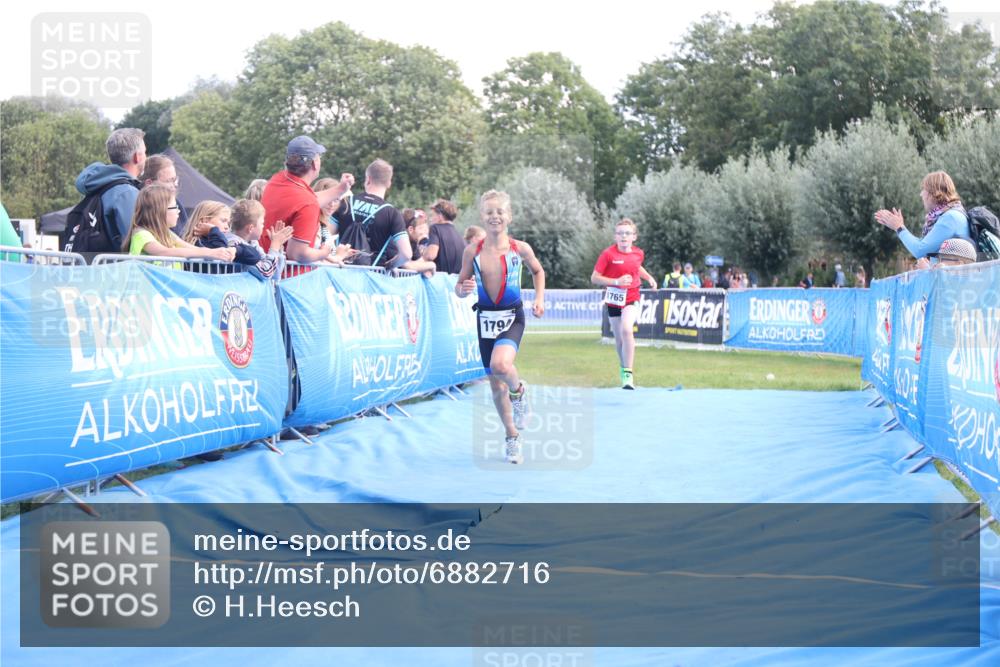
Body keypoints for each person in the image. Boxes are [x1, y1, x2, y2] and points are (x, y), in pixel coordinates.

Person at [456, 190, 545, 465]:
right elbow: (459, 286)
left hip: (512, 317)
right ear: (481, 216)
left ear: (509, 216)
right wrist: (463, 288)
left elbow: (538, 271)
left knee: (501, 365)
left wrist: (539, 298)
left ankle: (519, 393)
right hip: (485, 319)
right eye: (489, 212)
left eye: (500, 212)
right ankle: (512, 436)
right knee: (496, 388)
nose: (495, 216)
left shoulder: (521, 248)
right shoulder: (473, 250)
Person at [260, 136, 352, 265]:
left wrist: (341, 189)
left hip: (267, 272)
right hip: (291, 280)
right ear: (315, 163)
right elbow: (297, 254)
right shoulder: (307, 203)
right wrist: (324, 253)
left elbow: (305, 201)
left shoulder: (276, 180)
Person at [332, 159, 435, 272]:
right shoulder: (392, 213)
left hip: (340, 274)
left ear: (368, 179)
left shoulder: (346, 202)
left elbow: (325, 233)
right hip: (373, 276)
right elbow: (406, 254)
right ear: (389, 183)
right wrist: (391, 265)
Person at [591, 218, 657, 390]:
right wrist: (616, 281)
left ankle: (628, 373)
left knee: (627, 329)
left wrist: (649, 277)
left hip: (631, 297)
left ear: (634, 237)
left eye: (627, 233)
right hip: (613, 298)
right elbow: (594, 278)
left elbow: (637, 267)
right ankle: (623, 369)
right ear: (615, 236)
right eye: (620, 233)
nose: (623, 236)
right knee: (619, 339)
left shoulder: (638, 253)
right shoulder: (608, 254)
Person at [875, 171, 972, 262]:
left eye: (924, 190)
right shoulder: (952, 214)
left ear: (934, 193)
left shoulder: (951, 218)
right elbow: (923, 244)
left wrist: (899, 228)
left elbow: (920, 251)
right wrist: (900, 227)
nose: (921, 194)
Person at [74, 127, 146, 249]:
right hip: (117, 267)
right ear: (137, 157)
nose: (146, 157)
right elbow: (135, 241)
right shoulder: (126, 192)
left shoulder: (98, 184)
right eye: (145, 152)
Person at [122, 185, 234, 262]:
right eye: (175, 207)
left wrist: (217, 252)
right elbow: (163, 252)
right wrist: (210, 254)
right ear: (160, 210)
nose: (178, 211)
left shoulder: (167, 233)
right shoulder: (141, 234)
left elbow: (190, 248)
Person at [229, 198, 294, 279]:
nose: (263, 226)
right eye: (262, 223)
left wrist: (278, 247)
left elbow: (274, 274)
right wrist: (274, 246)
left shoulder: (253, 243)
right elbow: (266, 272)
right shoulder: (234, 244)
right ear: (250, 228)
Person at [140, 153, 189, 235]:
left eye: (175, 179)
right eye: (169, 181)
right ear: (149, 183)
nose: (175, 184)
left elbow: (186, 237)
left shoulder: (176, 203)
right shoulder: (140, 209)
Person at [423, 199, 466, 274]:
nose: (430, 219)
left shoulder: (435, 228)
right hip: (457, 282)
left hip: (441, 281)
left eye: (432, 216)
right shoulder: (459, 236)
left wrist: (423, 251)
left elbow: (430, 255)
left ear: (440, 217)